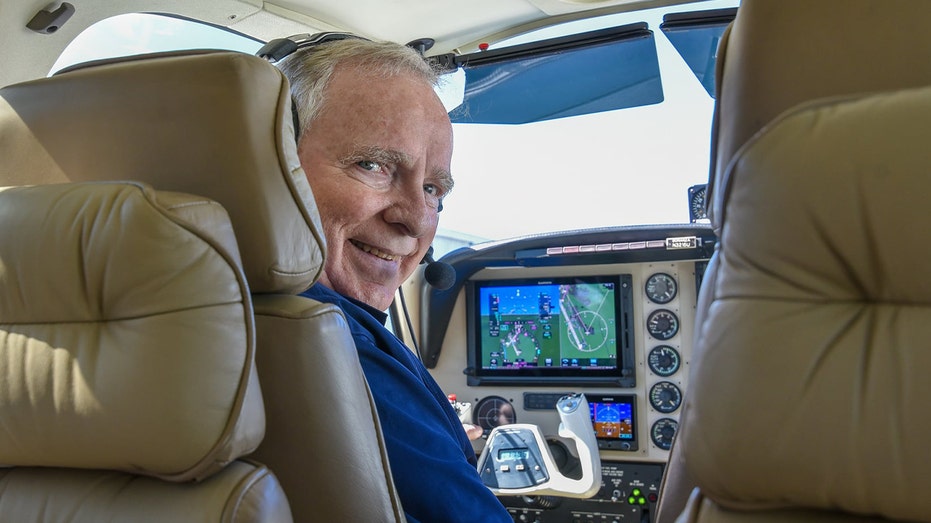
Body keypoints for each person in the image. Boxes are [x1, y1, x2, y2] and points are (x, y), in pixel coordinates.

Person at [276, 37, 511, 523]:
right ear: (271, 162)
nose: (416, 221)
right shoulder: (332, 343)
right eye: (373, 164)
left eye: (432, 189)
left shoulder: (181, 304)